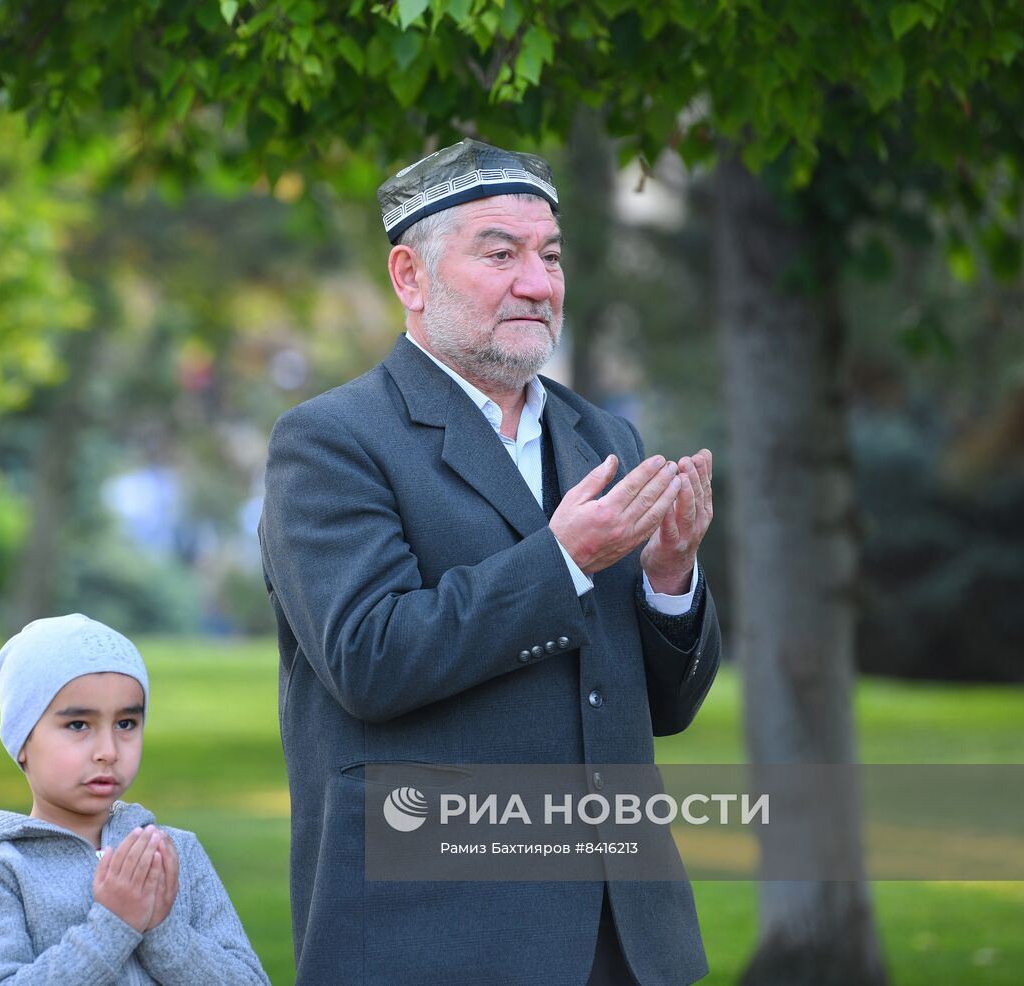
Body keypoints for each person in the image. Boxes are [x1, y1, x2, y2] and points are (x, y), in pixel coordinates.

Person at [258, 139, 720, 985]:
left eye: (549, 256)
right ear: (410, 277)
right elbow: (368, 658)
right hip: (436, 939)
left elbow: (661, 710)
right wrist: (564, 561)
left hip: (630, 943)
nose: (539, 284)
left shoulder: (604, 438)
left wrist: (667, 579)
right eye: (500, 253)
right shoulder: (330, 442)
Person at [0, 613, 268, 986]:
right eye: (78, 725)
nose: (108, 751)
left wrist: (163, 931)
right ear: (22, 742)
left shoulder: (172, 850)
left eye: (126, 724)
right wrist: (114, 926)